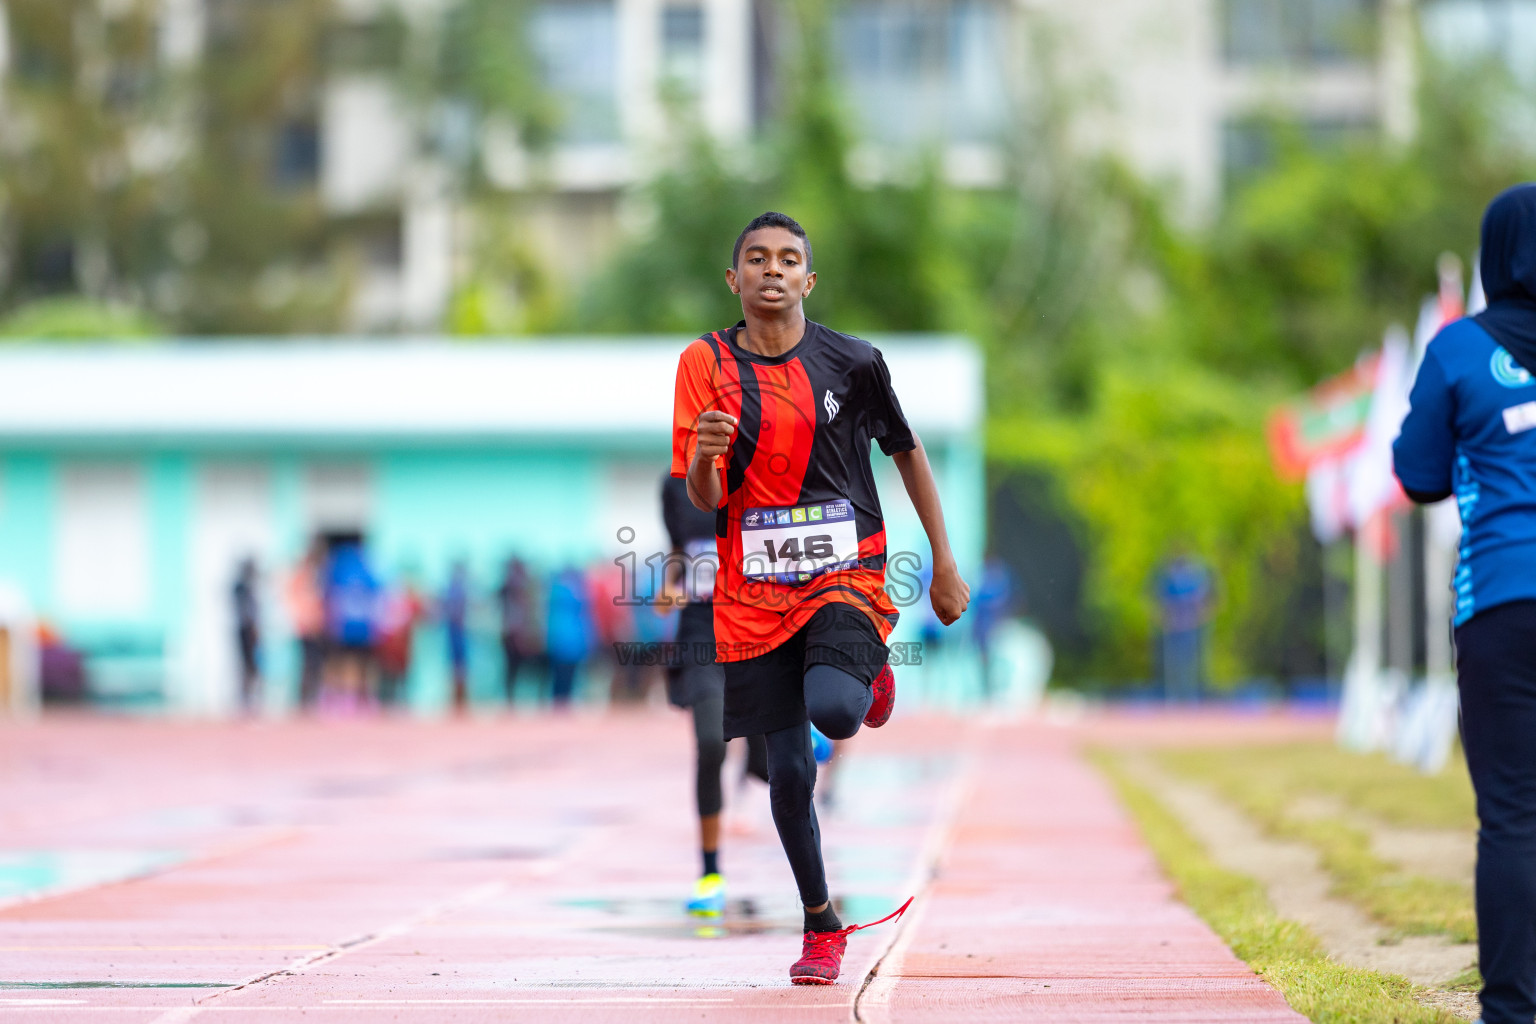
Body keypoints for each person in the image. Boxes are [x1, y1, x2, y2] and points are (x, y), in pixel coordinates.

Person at [672, 211, 970, 984]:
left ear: (810, 279)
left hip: (845, 574)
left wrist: (943, 562)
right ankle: (821, 923)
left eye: (789, 259)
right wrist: (706, 460)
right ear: (733, 280)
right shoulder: (702, 365)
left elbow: (908, 455)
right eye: (757, 259)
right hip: (754, 591)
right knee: (789, 771)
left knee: (835, 710)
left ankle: (864, 664)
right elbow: (704, 497)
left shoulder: (853, 363)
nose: (773, 270)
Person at [1393, 184, 1536, 1024]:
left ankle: (1513, 1012)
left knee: (1514, 815)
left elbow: (1418, 478)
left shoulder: (1457, 349)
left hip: (1504, 606)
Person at [660, 472, 770, 917]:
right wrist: (670, 587)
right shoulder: (671, 486)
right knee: (710, 742)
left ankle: (795, 741)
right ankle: (710, 873)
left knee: (769, 761)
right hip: (701, 634)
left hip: (755, 627)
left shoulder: (755, 472)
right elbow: (679, 552)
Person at [284, 539, 327, 709]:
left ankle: (311, 698)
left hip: (315, 626)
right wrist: (302, 621)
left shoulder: (316, 575)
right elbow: (296, 601)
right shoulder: (301, 577)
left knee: (315, 662)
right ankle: (303, 700)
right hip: (304, 627)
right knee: (307, 663)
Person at [496, 557, 535, 702]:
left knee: (518, 668)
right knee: (511, 668)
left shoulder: (522, 587)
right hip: (510, 634)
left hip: (518, 633)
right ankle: (509, 698)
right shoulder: (507, 587)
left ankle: (513, 698)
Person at [232, 557, 262, 713]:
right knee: (247, 666)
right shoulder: (241, 587)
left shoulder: (248, 587)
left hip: (249, 629)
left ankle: (250, 700)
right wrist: (252, 627)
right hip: (245, 630)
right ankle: (244, 701)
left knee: (253, 667)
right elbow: (245, 611)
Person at [442, 560, 472, 713]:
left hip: (460, 633)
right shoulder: (454, 588)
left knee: (460, 667)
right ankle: (457, 701)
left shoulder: (458, 588)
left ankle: (461, 701)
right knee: (457, 667)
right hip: (455, 632)